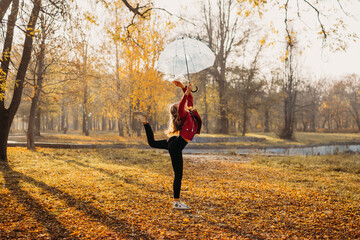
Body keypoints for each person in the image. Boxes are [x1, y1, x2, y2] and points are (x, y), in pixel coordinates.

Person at [134, 81, 201, 210]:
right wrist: (185, 93)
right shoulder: (184, 113)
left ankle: (145, 122)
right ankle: (176, 202)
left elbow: (189, 100)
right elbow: (182, 104)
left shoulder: (190, 113)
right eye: (179, 104)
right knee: (178, 175)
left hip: (175, 142)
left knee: (152, 143)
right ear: (179, 110)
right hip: (176, 145)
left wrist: (183, 88)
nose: (183, 104)